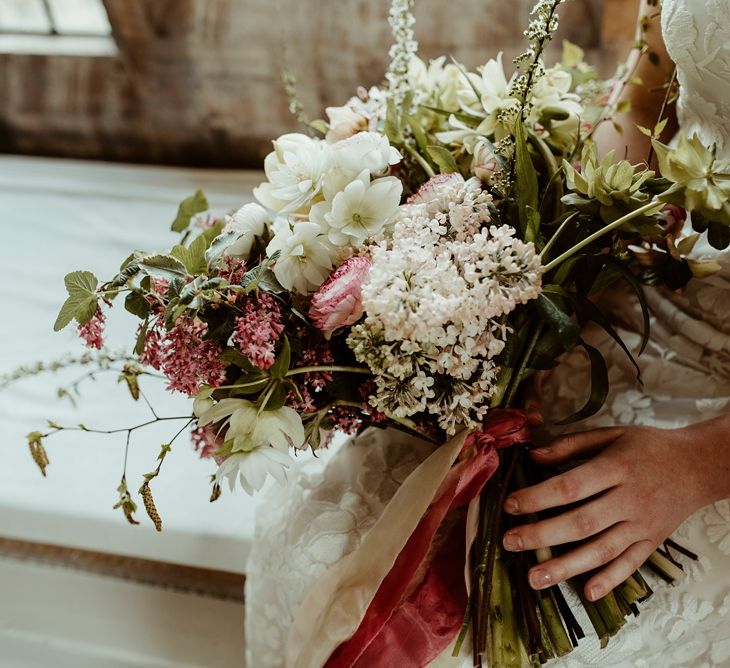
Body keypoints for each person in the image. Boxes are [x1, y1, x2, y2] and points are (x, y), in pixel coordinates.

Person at [244, 0, 730, 665]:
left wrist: (704, 462)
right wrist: (535, 268)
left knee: (587, 630)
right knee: (339, 531)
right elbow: (645, 98)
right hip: (654, 289)